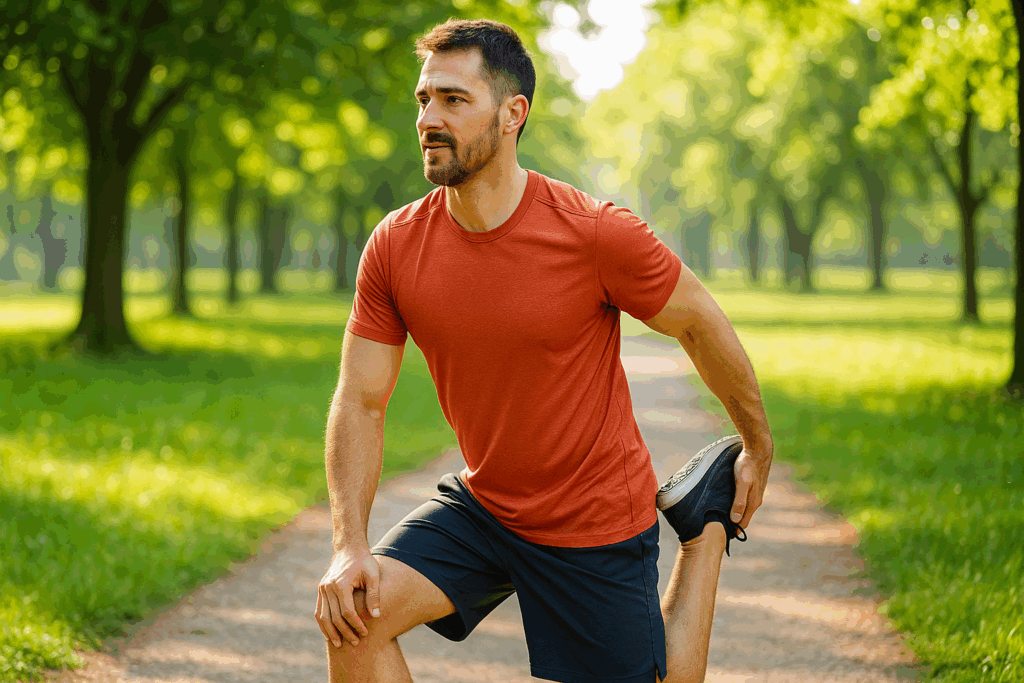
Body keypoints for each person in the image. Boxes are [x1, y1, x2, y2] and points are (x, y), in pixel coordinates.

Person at [315, 18, 773, 683]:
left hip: (590, 516)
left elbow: (699, 321)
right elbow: (359, 399)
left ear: (512, 114)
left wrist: (756, 443)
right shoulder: (395, 245)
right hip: (487, 503)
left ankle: (700, 530)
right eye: (424, 99)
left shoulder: (593, 234)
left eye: (453, 99)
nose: (428, 118)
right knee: (352, 615)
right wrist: (347, 546)